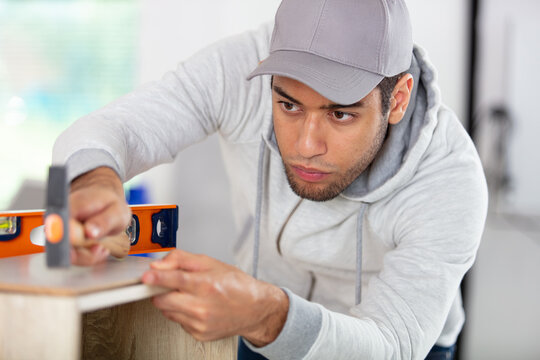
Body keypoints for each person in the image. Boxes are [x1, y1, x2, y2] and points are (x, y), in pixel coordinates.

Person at [52, 0, 488, 359]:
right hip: (259, 322)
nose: (305, 145)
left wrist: (268, 316)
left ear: (398, 99)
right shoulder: (242, 69)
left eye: (340, 114)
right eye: (289, 105)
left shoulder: (448, 179)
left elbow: (390, 345)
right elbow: (113, 129)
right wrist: (91, 181)